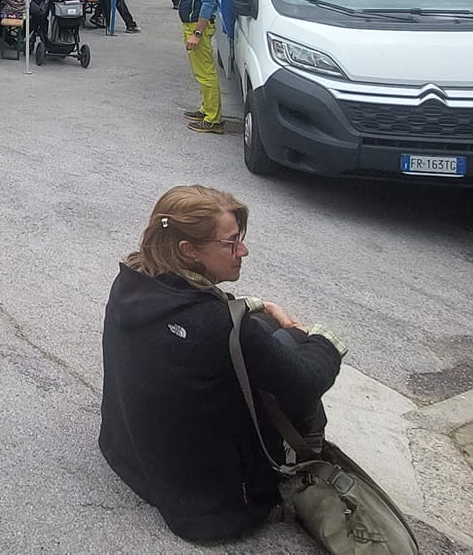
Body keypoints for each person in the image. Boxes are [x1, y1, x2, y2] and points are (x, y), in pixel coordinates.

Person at [99, 185, 345, 542]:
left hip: (128, 457)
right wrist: (319, 339)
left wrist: (255, 312)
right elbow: (306, 382)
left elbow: (195, 314)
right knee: (290, 348)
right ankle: (307, 449)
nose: (243, 251)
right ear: (189, 250)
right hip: (210, 508)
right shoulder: (222, 326)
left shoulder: (130, 280)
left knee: (266, 330)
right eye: (231, 243)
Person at [179, 0, 221, 132]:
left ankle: (213, 119)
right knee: (201, 72)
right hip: (193, 23)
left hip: (198, 26)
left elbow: (208, 1)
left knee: (206, 73)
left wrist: (197, 32)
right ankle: (206, 109)